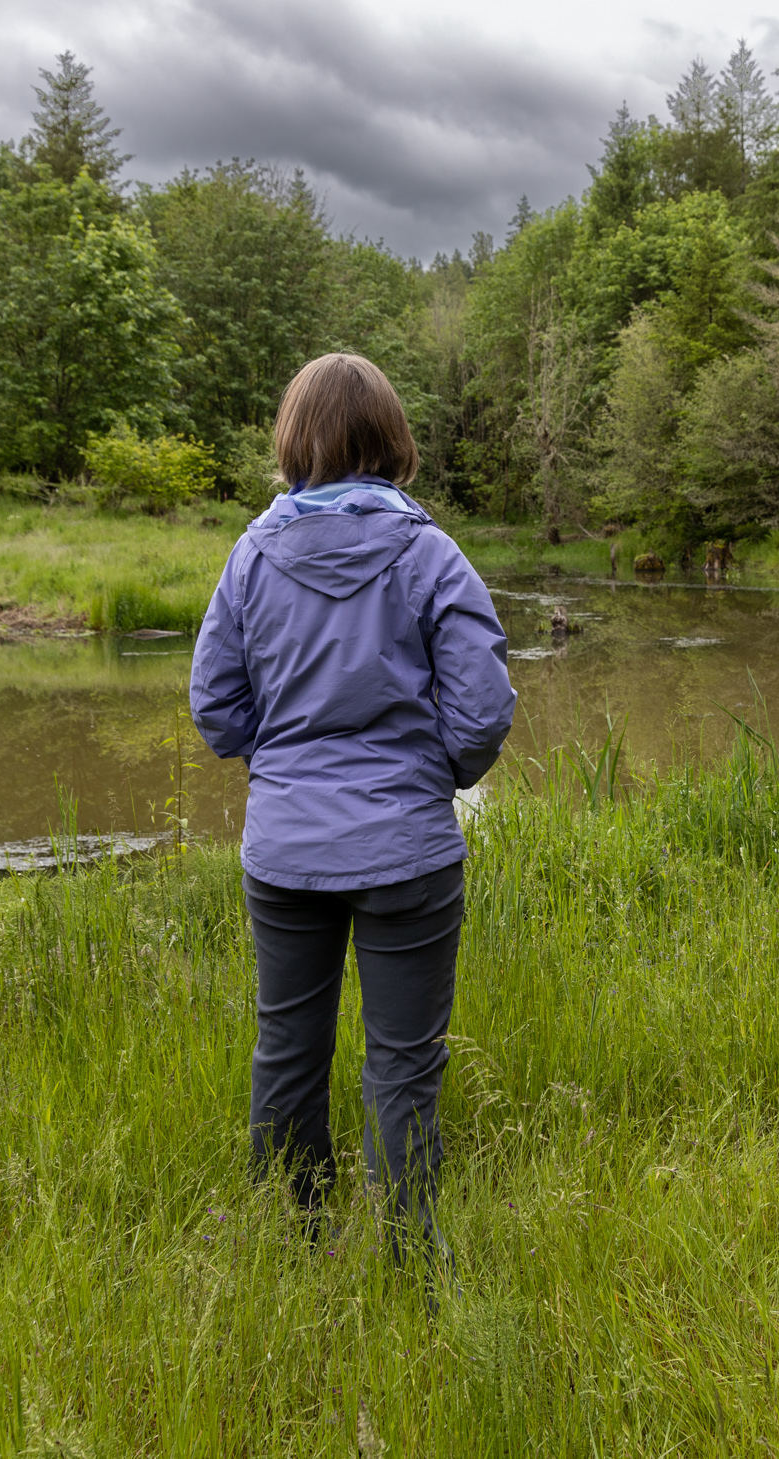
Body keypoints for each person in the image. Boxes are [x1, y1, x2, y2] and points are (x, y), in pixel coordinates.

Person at [189, 353, 516, 1255]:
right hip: (409, 849)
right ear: (392, 439)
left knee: (287, 1048)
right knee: (404, 1059)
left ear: (295, 440)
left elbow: (216, 707)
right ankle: (410, 1252)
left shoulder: (252, 557)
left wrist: (286, 767)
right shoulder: (429, 553)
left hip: (285, 851)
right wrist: (430, 775)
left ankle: (291, 1243)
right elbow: (484, 708)